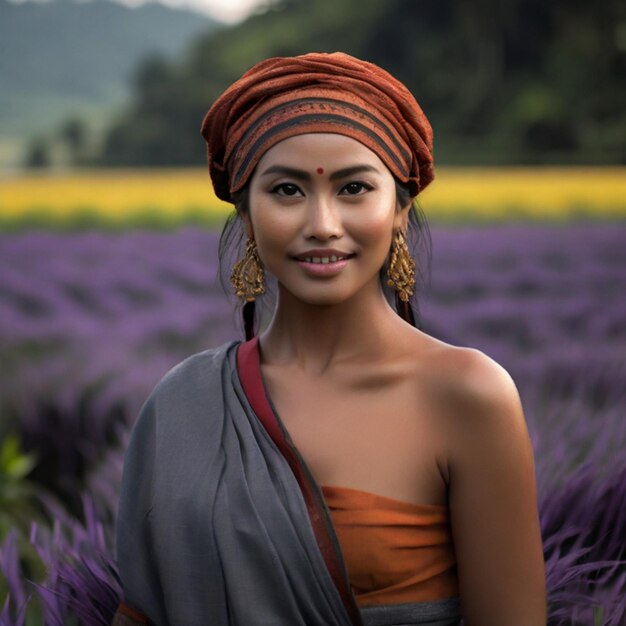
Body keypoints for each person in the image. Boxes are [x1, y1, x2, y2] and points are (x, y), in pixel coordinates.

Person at [112, 52, 546, 626]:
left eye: (355, 188)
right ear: (246, 214)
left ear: (399, 209)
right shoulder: (182, 405)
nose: (322, 223)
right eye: (287, 190)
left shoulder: (468, 396)